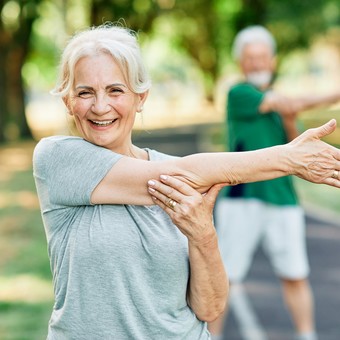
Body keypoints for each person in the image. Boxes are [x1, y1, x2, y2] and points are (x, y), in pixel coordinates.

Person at [32, 23, 340, 340]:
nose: (100, 106)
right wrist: (288, 159)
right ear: (68, 102)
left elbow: (208, 309)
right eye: (85, 92)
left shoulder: (176, 173)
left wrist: (203, 234)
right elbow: (185, 174)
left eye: (115, 90)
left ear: (140, 97)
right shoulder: (57, 159)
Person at [208, 25, 340, 340]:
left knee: (295, 276)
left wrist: (292, 117)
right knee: (224, 279)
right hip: (243, 198)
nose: (256, 63)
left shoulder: (282, 103)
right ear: (240, 62)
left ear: (273, 61)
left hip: (283, 199)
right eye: (249, 58)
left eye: (262, 57)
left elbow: (296, 143)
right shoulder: (239, 94)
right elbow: (284, 103)